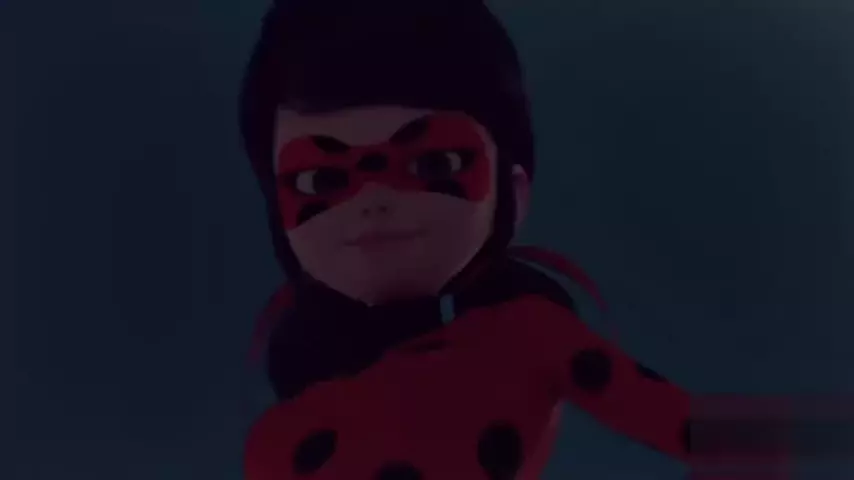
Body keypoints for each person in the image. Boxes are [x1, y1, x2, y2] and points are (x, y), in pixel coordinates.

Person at [236, 0, 747, 478]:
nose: (373, 199)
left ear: (513, 192)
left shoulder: (529, 336)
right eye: (321, 179)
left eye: (431, 163)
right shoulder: (275, 434)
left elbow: (682, 422)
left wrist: (792, 442)